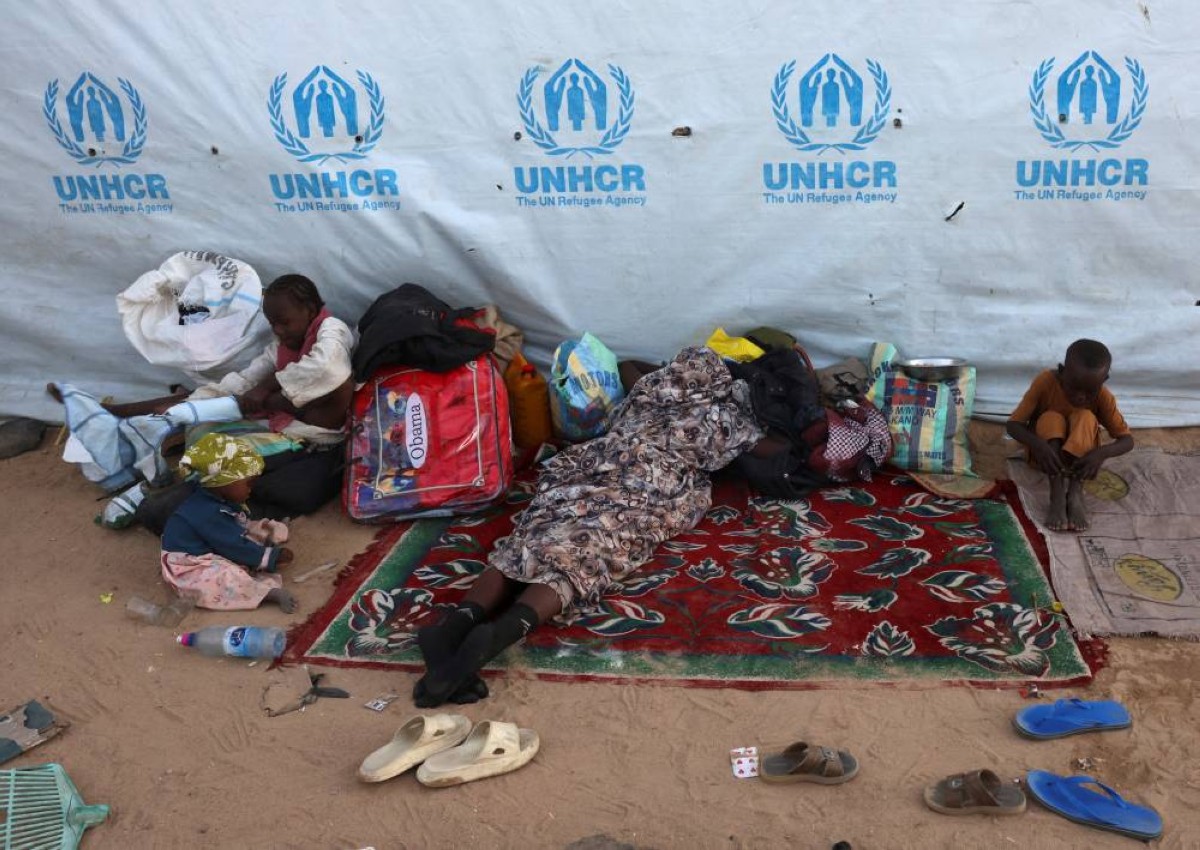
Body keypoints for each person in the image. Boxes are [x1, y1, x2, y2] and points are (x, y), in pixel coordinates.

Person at [412, 347, 764, 707]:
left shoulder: (654, 385)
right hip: (648, 483)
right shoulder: (726, 419)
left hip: (593, 463)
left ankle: (454, 626)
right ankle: (501, 632)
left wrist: (669, 374)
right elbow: (775, 453)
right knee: (587, 552)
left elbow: (628, 364)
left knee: (530, 538)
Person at [53, 273, 355, 519]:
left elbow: (325, 368)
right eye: (272, 323)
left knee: (215, 457)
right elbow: (247, 379)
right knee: (200, 424)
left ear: (310, 310)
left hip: (312, 441)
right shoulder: (283, 345)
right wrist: (202, 401)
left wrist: (265, 394)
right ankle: (124, 420)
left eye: (284, 322)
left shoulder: (332, 332)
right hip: (282, 424)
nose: (278, 330)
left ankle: (158, 500)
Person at [1006, 339, 1134, 532]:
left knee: (1086, 417)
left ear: (1104, 380)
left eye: (1090, 391)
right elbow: (1013, 425)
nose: (1081, 396)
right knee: (1051, 417)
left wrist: (1101, 453)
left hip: (1081, 465)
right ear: (1061, 371)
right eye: (1074, 387)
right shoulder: (1045, 382)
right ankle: (1057, 494)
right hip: (1045, 458)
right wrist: (1038, 445)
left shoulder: (1104, 396)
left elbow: (1127, 441)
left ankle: (1075, 493)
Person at [160, 434, 297, 612]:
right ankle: (267, 593)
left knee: (248, 528)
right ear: (222, 483)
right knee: (222, 578)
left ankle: (269, 537)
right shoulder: (207, 513)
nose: (252, 487)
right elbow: (233, 545)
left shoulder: (215, 499)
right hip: (190, 564)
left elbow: (234, 529)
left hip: (213, 544)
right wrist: (271, 558)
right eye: (249, 482)